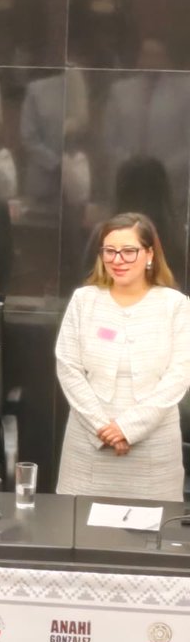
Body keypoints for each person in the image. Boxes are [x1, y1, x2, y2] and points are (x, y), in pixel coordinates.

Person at [55, 212, 190, 501]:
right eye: (110, 251)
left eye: (129, 251)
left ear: (149, 254)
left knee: (149, 539)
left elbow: (180, 375)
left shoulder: (175, 306)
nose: (118, 260)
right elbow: (68, 368)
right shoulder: (84, 300)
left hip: (153, 453)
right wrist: (103, 428)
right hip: (89, 448)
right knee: (79, 535)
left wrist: (127, 429)